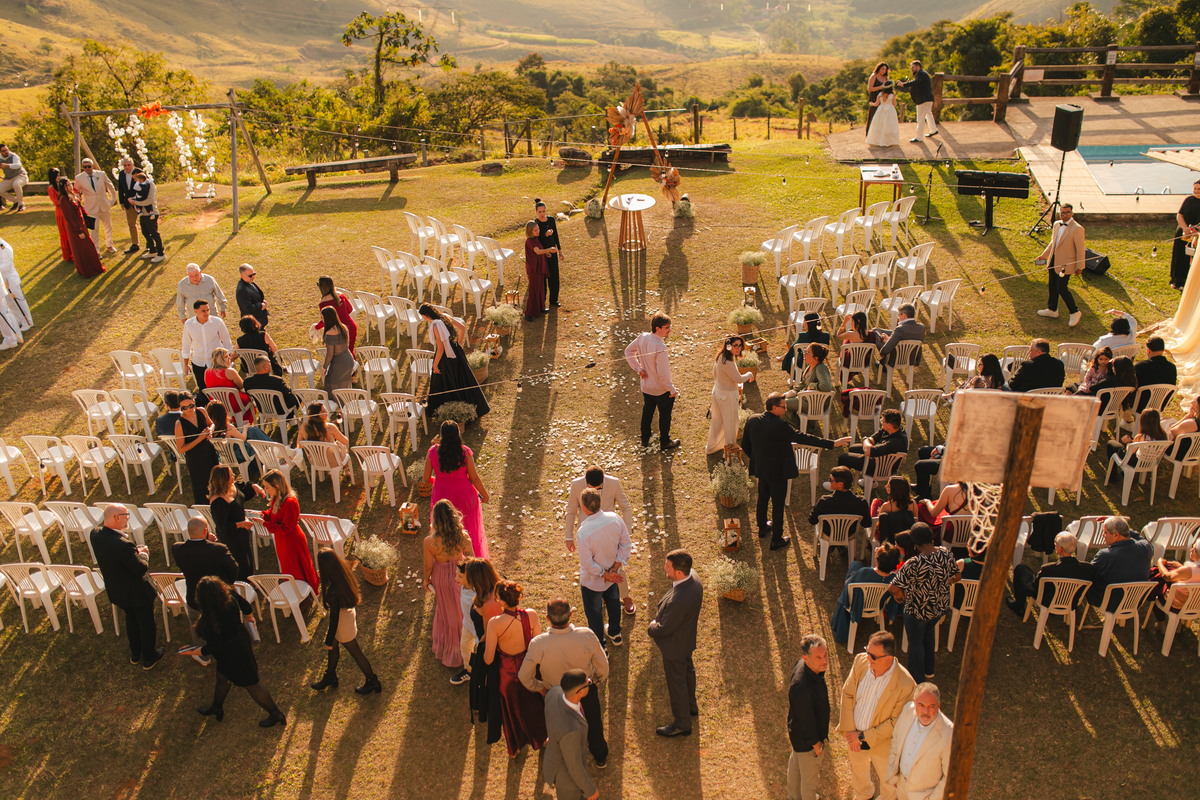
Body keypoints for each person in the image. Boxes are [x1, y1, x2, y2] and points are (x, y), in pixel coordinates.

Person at [742, 392, 850, 550]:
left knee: (763, 497)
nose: (785, 410)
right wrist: (832, 443)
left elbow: (745, 444)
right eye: (783, 407)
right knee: (778, 504)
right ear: (774, 408)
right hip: (778, 472)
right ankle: (776, 538)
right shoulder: (780, 426)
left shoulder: (752, 420)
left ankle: (762, 527)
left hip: (761, 469)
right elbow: (804, 438)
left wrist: (757, 458)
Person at [520, 599, 611, 768]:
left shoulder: (538, 643)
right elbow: (602, 665)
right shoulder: (587, 635)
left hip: (555, 694)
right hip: (584, 691)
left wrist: (540, 687)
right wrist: (597, 680)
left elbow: (524, 676)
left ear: (547, 618)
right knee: (593, 725)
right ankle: (600, 756)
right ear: (570, 615)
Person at [187, 576, 287, 728]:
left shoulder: (210, 622)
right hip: (240, 643)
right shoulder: (230, 595)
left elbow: (213, 647)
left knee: (251, 684)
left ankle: (275, 713)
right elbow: (246, 607)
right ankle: (217, 706)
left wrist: (193, 651)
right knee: (222, 676)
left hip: (231, 655)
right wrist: (249, 618)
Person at [838, 630, 916, 800]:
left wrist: (863, 737)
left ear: (888, 659)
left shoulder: (906, 684)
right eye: (867, 651)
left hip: (882, 744)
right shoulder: (861, 661)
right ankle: (863, 795)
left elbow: (895, 722)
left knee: (888, 781)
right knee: (859, 770)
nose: (868, 658)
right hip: (854, 733)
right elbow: (848, 693)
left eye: (873, 656)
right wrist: (852, 733)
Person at [90, 504, 162, 670]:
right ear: (116, 517)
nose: (128, 517)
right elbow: (140, 568)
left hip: (117, 591)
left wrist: (132, 554)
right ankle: (149, 656)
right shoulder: (122, 545)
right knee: (146, 624)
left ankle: (135, 654)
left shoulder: (95, 534)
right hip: (136, 592)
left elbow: (114, 557)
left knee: (131, 619)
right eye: (126, 514)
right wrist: (143, 554)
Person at [484, 580, 548, 757]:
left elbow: (488, 659)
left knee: (512, 710)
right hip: (529, 667)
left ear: (501, 601)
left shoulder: (494, 623)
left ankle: (515, 747)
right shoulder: (532, 615)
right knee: (534, 704)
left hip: (508, 673)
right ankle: (541, 737)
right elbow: (538, 643)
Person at [888, 525, 959, 680]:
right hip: (939, 607)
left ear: (915, 543)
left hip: (917, 610)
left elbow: (893, 587)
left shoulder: (914, 563)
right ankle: (929, 669)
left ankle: (916, 678)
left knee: (915, 643)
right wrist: (944, 582)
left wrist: (898, 595)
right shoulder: (945, 553)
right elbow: (957, 575)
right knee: (928, 633)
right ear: (931, 538)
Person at [564, 465, 636, 615]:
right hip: (588, 533)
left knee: (616, 564)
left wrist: (626, 531)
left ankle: (625, 596)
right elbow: (571, 510)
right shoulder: (576, 485)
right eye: (591, 487)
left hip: (609, 530)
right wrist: (568, 536)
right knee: (593, 564)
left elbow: (625, 506)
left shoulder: (613, 483)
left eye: (598, 488)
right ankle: (601, 595)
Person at [648, 549, 703, 737]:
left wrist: (651, 626)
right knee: (688, 671)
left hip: (675, 647)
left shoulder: (678, 601)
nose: (664, 568)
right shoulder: (693, 577)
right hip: (686, 640)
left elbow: (663, 629)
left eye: (667, 566)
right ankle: (691, 707)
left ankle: (682, 724)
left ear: (679, 572)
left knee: (676, 684)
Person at [312, 548, 380, 694]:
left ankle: (372, 681)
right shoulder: (343, 572)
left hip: (342, 622)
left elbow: (334, 619)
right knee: (335, 647)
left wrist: (328, 641)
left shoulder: (332, 591)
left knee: (355, 652)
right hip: (347, 614)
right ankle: (330, 676)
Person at [172, 515, 238, 660]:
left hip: (194, 597)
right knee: (223, 620)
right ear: (206, 530)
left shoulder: (177, 549)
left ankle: (203, 656)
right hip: (217, 597)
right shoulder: (219, 550)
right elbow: (233, 570)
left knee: (196, 624)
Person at [574, 487, 632, 650]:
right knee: (614, 605)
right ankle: (615, 632)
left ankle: (601, 646)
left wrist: (605, 574)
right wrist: (614, 569)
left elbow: (587, 563)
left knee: (594, 614)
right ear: (600, 502)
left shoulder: (583, 532)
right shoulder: (615, 519)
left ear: (583, 508)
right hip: (613, 576)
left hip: (593, 582)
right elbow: (626, 545)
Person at [424, 420, 490, 559]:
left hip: (442, 495)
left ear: (441, 435)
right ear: (458, 434)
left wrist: (438, 481)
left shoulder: (433, 452)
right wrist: (484, 494)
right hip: (464, 494)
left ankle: (446, 557)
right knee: (468, 527)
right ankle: (471, 557)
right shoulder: (464, 452)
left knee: (443, 527)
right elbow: (474, 478)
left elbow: (426, 478)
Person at [424, 499, 473, 671]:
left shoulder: (430, 541)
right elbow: (471, 558)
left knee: (445, 609)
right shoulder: (463, 536)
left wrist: (426, 579)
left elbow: (428, 566)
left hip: (441, 576)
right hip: (460, 575)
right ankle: (466, 646)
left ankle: (450, 649)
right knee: (462, 610)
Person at [419, 303, 491, 419]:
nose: (424, 319)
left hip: (446, 357)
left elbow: (441, 348)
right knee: (463, 378)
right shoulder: (445, 316)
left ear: (427, 315)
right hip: (456, 350)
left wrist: (435, 364)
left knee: (443, 381)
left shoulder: (436, 326)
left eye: (424, 317)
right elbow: (462, 328)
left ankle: (438, 410)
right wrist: (460, 343)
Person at [884, 683, 952, 800]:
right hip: (901, 787)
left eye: (931, 706)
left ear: (938, 705)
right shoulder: (907, 710)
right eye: (921, 705)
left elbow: (949, 776)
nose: (926, 711)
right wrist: (893, 772)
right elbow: (896, 739)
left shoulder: (949, 733)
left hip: (924, 796)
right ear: (914, 703)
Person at [625, 313, 680, 451]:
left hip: (646, 388)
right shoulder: (660, 347)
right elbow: (663, 374)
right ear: (657, 328)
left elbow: (628, 351)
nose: (670, 330)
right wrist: (671, 389)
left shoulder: (643, 337)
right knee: (664, 416)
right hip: (660, 390)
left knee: (647, 412)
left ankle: (644, 439)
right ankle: (665, 442)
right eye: (667, 327)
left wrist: (639, 369)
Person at [1006, 531, 1095, 616]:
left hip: (1047, 600)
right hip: (1071, 601)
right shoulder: (1088, 569)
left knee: (1020, 569)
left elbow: (1035, 586)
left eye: (1055, 545)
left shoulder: (1048, 569)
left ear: (1060, 548)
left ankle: (1019, 607)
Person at [542, 669, 600, 800]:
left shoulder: (554, 692)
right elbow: (574, 767)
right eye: (588, 683)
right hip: (567, 781)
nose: (590, 682)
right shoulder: (570, 730)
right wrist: (589, 790)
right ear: (580, 692)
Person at [786, 633, 830, 800]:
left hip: (797, 736)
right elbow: (807, 722)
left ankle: (793, 797)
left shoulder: (805, 666)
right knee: (809, 780)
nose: (824, 660)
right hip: (807, 741)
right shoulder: (802, 687)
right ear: (806, 658)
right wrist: (817, 746)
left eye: (825, 654)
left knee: (796, 768)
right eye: (818, 657)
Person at [260, 469, 319, 591]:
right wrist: (263, 515)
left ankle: (304, 591)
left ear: (276, 486)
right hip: (282, 541)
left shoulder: (289, 502)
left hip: (291, 542)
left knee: (297, 568)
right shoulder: (276, 498)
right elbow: (274, 513)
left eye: (267, 487)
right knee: (288, 567)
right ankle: (294, 590)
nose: (265, 489)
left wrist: (265, 524)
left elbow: (285, 528)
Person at [831, 544, 903, 644]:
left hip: (857, 603)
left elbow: (848, 585)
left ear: (877, 559)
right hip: (878, 604)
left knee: (854, 565)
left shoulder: (864, 572)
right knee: (856, 565)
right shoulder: (895, 580)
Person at [1085, 516, 1152, 612]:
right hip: (1134, 602)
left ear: (1116, 535)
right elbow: (1138, 537)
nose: (1103, 535)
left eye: (1105, 532)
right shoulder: (1145, 548)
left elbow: (1090, 575)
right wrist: (1121, 526)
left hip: (1108, 603)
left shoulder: (1105, 555)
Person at [1036, 204, 1086, 328]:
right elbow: (1053, 242)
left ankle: (1074, 311)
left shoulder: (1077, 229)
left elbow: (1080, 249)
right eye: (1063, 213)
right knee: (1052, 285)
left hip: (1066, 264)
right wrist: (1044, 255)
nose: (1065, 215)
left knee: (1061, 288)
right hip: (1054, 260)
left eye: (1068, 212)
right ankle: (1052, 309)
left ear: (1072, 213)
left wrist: (1080, 266)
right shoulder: (1057, 224)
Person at [706, 336, 755, 454]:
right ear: (729, 346)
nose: (738, 348)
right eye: (735, 345)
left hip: (718, 392)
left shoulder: (721, 356)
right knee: (731, 423)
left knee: (717, 421)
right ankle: (730, 449)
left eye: (740, 345)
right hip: (726, 396)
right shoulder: (728, 362)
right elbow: (738, 379)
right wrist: (749, 374)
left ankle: (712, 447)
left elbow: (715, 373)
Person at [208, 464, 257, 582]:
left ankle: (249, 581)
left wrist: (255, 487)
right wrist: (242, 524)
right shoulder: (218, 502)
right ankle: (242, 586)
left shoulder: (233, 487)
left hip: (242, 532)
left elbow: (244, 493)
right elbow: (223, 528)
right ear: (223, 479)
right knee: (240, 563)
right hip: (232, 537)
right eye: (231, 474)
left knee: (247, 558)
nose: (234, 475)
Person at [181, 299, 233, 403]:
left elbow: (227, 342)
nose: (206, 313)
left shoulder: (217, 322)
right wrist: (186, 365)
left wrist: (229, 361)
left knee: (220, 390)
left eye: (208, 310)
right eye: (203, 311)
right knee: (203, 390)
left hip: (217, 363)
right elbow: (186, 345)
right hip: (199, 363)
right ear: (195, 311)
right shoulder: (189, 324)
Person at [54, 178, 105, 279]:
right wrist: (78, 231)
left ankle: (95, 267)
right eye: (67, 185)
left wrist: (86, 220)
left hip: (81, 224)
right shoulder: (64, 199)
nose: (70, 186)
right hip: (75, 228)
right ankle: (86, 270)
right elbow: (70, 216)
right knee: (82, 249)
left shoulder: (71, 195)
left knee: (89, 247)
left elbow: (80, 208)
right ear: (63, 187)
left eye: (70, 184)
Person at [174, 392, 220, 503]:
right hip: (195, 459)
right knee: (202, 486)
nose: (189, 409)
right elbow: (181, 449)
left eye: (191, 405)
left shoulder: (201, 411)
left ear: (194, 402)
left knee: (217, 480)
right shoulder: (179, 424)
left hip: (209, 452)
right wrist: (200, 438)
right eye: (184, 408)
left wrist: (210, 430)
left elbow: (211, 423)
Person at [810, 466, 873, 546]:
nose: (829, 481)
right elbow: (867, 523)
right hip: (849, 534)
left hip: (828, 534)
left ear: (840, 484)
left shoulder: (824, 501)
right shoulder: (861, 502)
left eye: (830, 479)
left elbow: (812, 520)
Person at [837, 409, 909, 477]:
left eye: (882, 421)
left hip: (882, 467)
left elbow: (869, 452)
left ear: (889, 425)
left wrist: (865, 439)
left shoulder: (895, 442)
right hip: (879, 456)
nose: (881, 422)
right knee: (853, 448)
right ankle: (846, 477)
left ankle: (840, 480)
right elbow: (874, 438)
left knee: (843, 458)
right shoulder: (892, 428)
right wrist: (868, 444)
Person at [73, 157, 118, 254]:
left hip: (104, 204)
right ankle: (96, 249)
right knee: (94, 229)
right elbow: (76, 191)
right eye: (85, 167)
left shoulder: (101, 174)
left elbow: (110, 186)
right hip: (91, 207)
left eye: (89, 166)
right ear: (82, 167)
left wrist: (112, 200)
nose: (87, 169)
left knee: (108, 226)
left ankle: (109, 244)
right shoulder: (79, 178)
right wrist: (78, 200)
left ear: (92, 166)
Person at [205, 347, 255, 427]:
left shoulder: (207, 372)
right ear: (220, 359)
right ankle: (245, 424)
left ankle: (236, 422)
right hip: (233, 404)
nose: (229, 357)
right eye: (226, 356)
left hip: (217, 404)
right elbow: (242, 386)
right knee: (248, 399)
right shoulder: (229, 371)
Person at [313, 276, 357, 354]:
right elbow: (349, 309)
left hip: (336, 333)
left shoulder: (322, 303)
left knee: (337, 356)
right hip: (350, 327)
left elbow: (324, 321)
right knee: (350, 353)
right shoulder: (341, 295)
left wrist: (316, 327)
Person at [1170, 178, 1200, 289]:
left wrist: (1195, 230)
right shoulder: (1188, 200)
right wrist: (1185, 228)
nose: (1196, 191)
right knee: (1179, 256)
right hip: (1183, 232)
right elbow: (1180, 215)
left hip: (1197, 235)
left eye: (1199, 189)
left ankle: (1188, 282)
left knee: (1191, 258)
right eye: (1195, 189)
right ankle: (1176, 280)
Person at [898, 61, 938, 143]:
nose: (911, 69)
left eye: (913, 67)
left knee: (920, 118)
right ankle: (933, 130)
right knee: (928, 114)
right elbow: (917, 83)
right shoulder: (922, 74)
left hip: (922, 99)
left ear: (918, 66)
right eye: (911, 68)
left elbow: (916, 82)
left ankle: (919, 137)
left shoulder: (921, 74)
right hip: (928, 98)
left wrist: (903, 84)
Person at [872, 476, 919, 545]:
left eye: (888, 486)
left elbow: (880, 524)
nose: (885, 486)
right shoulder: (913, 503)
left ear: (895, 491)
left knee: (875, 502)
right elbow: (915, 520)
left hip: (889, 536)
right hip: (906, 536)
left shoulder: (886, 506)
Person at [534, 199, 564, 307]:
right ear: (536, 212)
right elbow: (537, 241)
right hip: (542, 254)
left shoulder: (551, 220)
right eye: (539, 212)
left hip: (553, 252)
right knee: (543, 279)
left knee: (554, 276)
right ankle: (542, 302)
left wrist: (560, 251)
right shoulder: (535, 223)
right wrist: (545, 235)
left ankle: (554, 299)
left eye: (543, 211)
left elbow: (556, 236)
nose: (542, 214)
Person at [320, 306, 356, 393]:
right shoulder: (343, 327)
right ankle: (345, 403)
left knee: (330, 384)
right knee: (344, 384)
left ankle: (338, 404)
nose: (321, 320)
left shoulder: (330, 333)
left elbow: (330, 354)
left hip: (339, 362)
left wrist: (325, 367)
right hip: (348, 358)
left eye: (322, 317)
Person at [0, 235, 32, 335]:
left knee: (19, 301)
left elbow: (7, 266)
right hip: (3, 281)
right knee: (11, 302)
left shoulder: (5, 248)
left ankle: (28, 321)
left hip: (11, 280)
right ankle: (19, 319)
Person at [131, 170, 165, 262]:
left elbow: (150, 200)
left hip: (151, 213)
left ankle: (161, 253)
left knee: (154, 233)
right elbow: (139, 197)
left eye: (136, 179)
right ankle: (152, 250)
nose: (135, 181)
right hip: (143, 214)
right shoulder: (139, 186)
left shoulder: (150, 185)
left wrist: (135, 202)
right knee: (145, 232)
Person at [523, 220, 549, 320]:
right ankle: (528, 313)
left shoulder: (536, 239)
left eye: (538, 229)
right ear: (530, 231)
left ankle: (541, 308)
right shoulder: (529, 241)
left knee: (541, 289)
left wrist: (546, 253)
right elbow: (537, 251)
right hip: (534, 270)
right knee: (533, 291)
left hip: (540, 268)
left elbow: (540, 250)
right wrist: (549, 249)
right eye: (535, 230)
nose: (537, 231)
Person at [46, 167, 74, 262]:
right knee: (65, 233)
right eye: (57, 176)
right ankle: (68, 254)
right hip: (60, 212)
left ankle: (74, 252)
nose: (58, 177)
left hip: (66, 209)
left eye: (59, 175)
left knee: (70, 231)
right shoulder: (51, 188)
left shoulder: (61, 185)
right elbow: (56, 202)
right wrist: (65, 199)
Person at [115, 156, 141, 254]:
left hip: (139, 201)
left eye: (128, 165)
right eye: (125, 165)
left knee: (145, 223)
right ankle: (135, 244)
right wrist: (122, 201)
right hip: (128, 203)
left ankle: (149, 244)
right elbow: (120, 188)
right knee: (131, 223)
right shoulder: (122, 174)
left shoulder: (138, 172)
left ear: (133, 165)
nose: (126, 167)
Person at [866, 82, 901, 148]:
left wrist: (871, 104)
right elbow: (894, 104)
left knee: (879, 125)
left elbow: (876, 104)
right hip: (889, 110)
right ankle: (888, 141)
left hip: (881, 110)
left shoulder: (880, 94)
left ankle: (878, 141)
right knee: (889, 125)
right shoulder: (892, 96)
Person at [236, 264, 269, 328]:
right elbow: (248, 308)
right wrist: (261, 306)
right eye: (250, 275)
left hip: (259, 320)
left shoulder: (249, 281)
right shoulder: (242, 290)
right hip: (253, 324)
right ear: (242, 276)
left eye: (254, 274)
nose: (253, 277)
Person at [0, 142, 29, 211]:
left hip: (21, 176)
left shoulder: (13, 156)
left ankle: (21, 204)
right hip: (9, 178)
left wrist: (7, 166)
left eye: (7, 150)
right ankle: (16, 201)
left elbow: (18, 165)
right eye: (4, 151)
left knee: (16, 184)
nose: (6, 152)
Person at [865, 62, 890, 133]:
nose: (884, 71)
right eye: (882, 69)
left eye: (885, 70)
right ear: (878, 68)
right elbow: (869, 88)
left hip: (884, 99)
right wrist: (880, 87)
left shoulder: (885, 77)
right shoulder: (874, 76)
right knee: (873, 116)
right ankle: (870, 134)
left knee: (883, 117)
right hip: (874, 98)